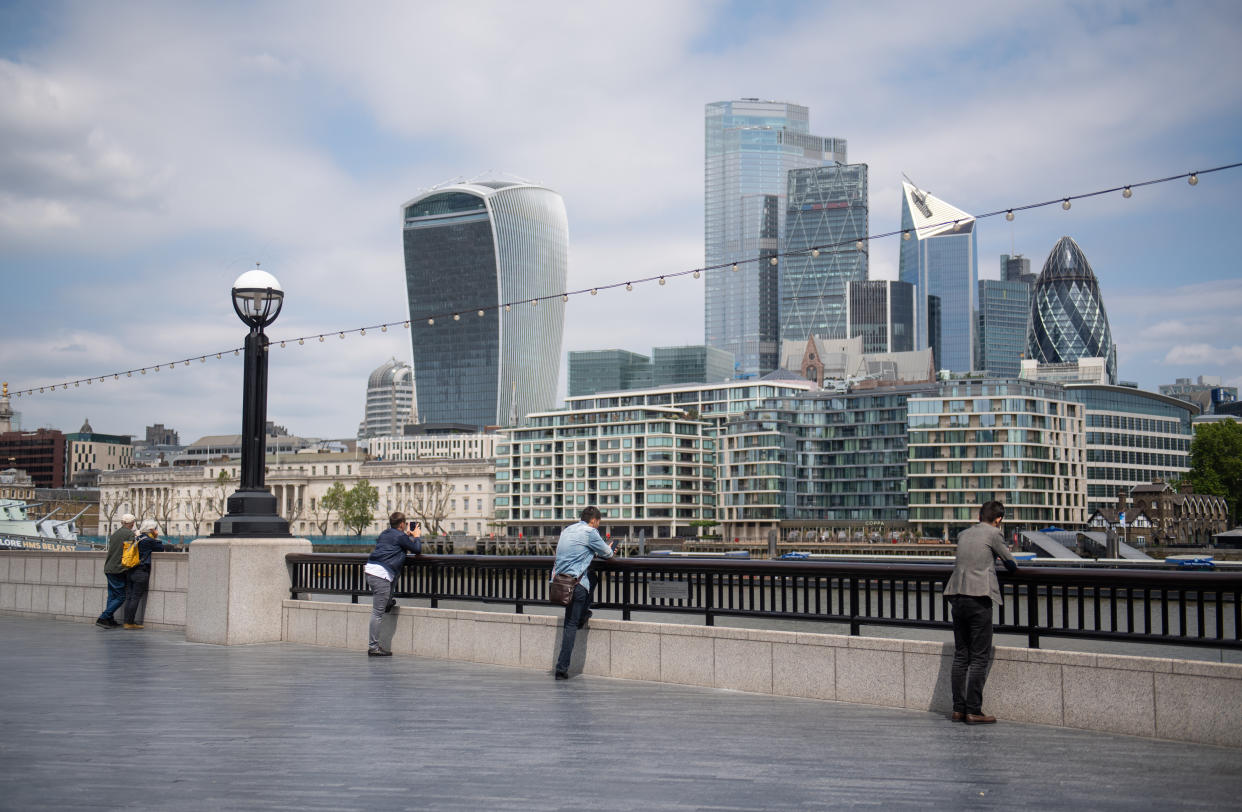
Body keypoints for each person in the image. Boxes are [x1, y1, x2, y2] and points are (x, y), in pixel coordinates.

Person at [944, 500, 1017, 725]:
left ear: (978, 516)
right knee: (978, 657)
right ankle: (974, 710)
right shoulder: (994, 534)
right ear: (999, 519)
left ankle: (958, 709)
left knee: (960, 656)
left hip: (957, 596)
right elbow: (1011, 564)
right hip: (979, 598)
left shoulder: (964, 535)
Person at [552, 506, 614, 680]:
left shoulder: (567, 530)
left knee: (591, 579)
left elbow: (574, 553)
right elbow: (607, 553)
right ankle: (561, 668)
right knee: (571, 625)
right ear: (594, 520)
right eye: (598, 524)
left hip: (560, 582)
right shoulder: (590, 532)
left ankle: (584, 613)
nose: (597, 527)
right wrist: (608, 548)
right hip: (576, 585)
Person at [364, 512, 422, 657]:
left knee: (383, 602)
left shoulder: (385, 534)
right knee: (377, 612)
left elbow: (396, 544)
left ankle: (388, 602)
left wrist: (407, 536)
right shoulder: (401, 536)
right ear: (402, 524)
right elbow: (417, 550)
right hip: (381, 574)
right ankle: (373, 647)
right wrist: (416, 536)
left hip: (370, 570)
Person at [123, 520, 171, 629]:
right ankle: (129, 622)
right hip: (141, 571)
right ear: (151, 530)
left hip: (130, 569)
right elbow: (160, 548)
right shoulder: (148, 541)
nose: (156, 531)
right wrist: (156, 537)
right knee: (135, 597)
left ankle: (127, 621)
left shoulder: (137, 538)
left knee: (130, 597)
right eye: (155, 529)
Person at [96, 513, 136, 629]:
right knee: (121, 596)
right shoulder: (129, 534)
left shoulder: (115, 534)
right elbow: (130, 553)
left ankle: (109, 619)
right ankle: (104, 617)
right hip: (118, 569)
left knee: (112, 595)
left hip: (108, 567)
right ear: (132, 524)